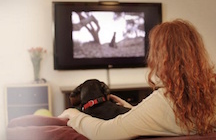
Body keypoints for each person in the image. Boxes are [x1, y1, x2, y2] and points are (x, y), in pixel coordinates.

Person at [58, 19, 216, 139]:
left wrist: (73, 114)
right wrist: (133, 109)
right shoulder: (210, 90)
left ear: (161, 57)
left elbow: (103, 132)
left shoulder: (163, 101)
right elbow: (166, 119)